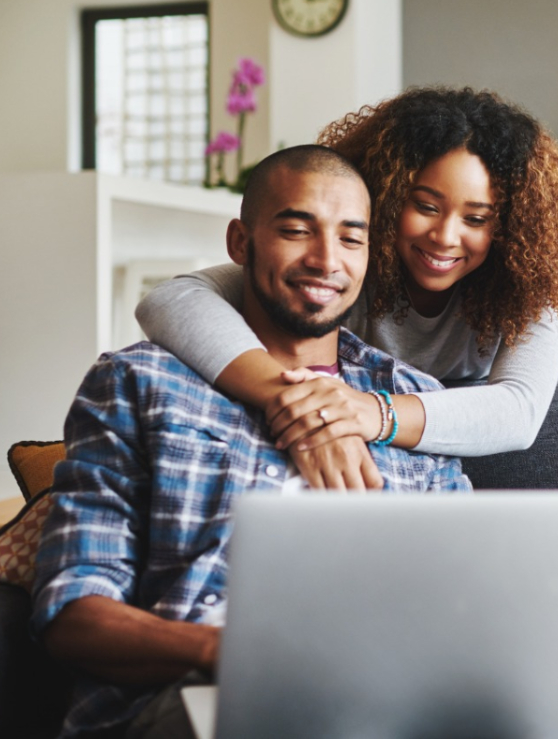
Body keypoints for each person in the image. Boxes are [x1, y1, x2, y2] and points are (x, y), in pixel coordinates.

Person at [32, 145, 471, 739]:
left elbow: (465, 603)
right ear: (241, 243)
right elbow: (71, 613)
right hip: (196, 697)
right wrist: (230, 651)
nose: (325, 260)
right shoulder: (139, 385)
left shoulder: (411, 403)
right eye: (296, 230)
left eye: (351, 239)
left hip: (384, 698)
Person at [137, 85, 558, 489]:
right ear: (386, 193)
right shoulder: (341, 269)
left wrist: (368, 413)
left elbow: (517, 412)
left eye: (477, 219)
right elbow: (171, 300)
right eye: (425, 206)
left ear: (510, 228)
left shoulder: (522, 290)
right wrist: (307, 407)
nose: (445, 237)